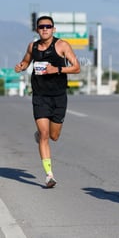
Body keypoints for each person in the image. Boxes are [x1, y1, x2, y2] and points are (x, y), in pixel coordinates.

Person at [14, 15, 80, 188]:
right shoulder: (32, 46)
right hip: (40, 96)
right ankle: (49, 175)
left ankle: (41, 135)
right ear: (37, 30)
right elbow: (26, 62)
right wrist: (21, 66)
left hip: (58, 96)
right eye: (41, 26)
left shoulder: (62, 45)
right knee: (44, 135)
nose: (45, 29)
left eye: (48, 26)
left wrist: (56, 69)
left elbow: (76, 67)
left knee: (54, 136)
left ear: (53, 29)